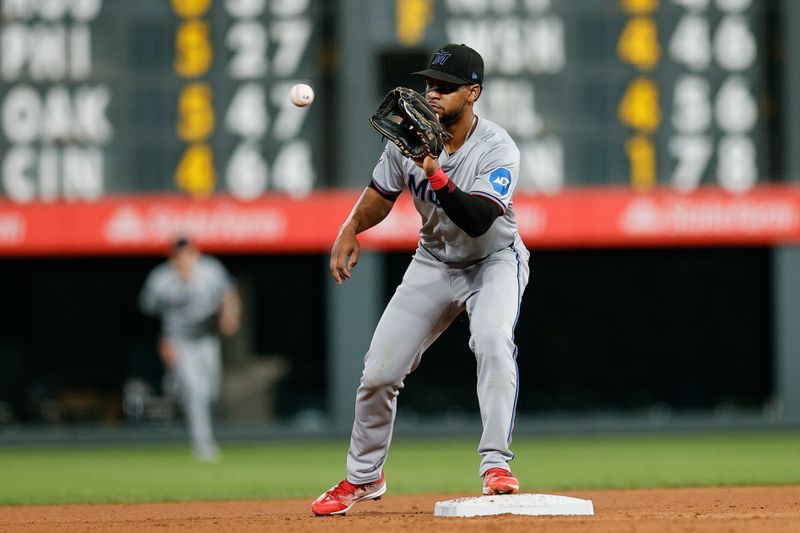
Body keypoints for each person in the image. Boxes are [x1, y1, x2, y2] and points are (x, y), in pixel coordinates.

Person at [312, 43, 530, 516]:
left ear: (473, 93)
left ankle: (496, 464)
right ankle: (364, 478)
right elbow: (379, 193)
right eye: (430, 83)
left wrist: (433, 169)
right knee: (378, 374)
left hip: (493, 261)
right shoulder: (406, 140)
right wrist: (350, 228)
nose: (432, 94)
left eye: (446, 87)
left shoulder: (497, 148)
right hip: (432, 262)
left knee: (492, 340)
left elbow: (477, 220)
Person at [138, 236, 240, 462]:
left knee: (210, 392)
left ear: (195, 253)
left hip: (206, 340)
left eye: (189, 253)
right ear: (173, 257)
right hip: (179, 342)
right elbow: (147, 314)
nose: (185, 259)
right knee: (197, 392)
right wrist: (162, 341)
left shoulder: (210, 270)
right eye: (180, 255)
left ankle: (174, 385)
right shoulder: (161, 279)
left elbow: (229, 292)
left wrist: (230, 314)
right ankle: (203, 444)